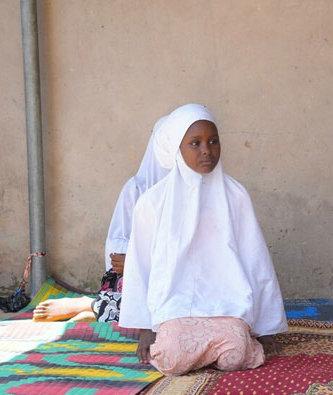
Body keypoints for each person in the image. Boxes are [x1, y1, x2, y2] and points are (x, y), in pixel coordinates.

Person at [118, 103, 287, 376]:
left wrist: (266, 326)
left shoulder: (236, 196)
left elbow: (256, 261)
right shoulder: (153, 202)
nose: (206, 150)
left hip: (227, 305)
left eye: (213, 141)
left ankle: (222, 346)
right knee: (171, 358)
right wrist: (145, 328)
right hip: (174, 307)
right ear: (177, 149)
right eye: (194, 143)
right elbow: (141, 265)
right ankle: (195, 349)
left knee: (236, 354)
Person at [32, 116, 169, 322]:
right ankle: (92, 305)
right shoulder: (137, 189)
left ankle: (97, 308)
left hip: (174, 281)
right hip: (141, 279)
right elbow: (117, 245)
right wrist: (134, 261)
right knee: (148, 307)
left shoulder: (206, 195)